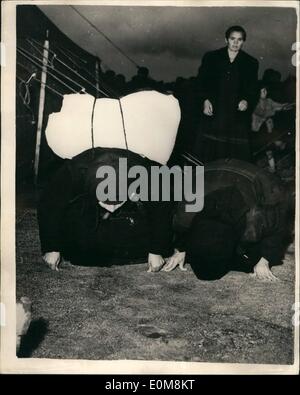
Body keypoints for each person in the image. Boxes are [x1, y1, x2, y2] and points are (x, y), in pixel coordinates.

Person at [38, 147, 173, 272]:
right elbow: (50, 206)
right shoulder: (74, 171)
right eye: (107, 203)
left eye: (117, 203)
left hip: (133, 198)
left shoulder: (146, 173)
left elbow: (162, 208)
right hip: (85, 199)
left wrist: (156, 250)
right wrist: (51, 248)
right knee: (78, 251)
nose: (113, 208)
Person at [163, 159, 290, 282]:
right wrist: (182, 249)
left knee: (254, 253)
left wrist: (265, 260)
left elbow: (279, 230)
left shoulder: (256, 217)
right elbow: (186, 233)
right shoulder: (184, 216)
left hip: (255, 177)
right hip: (209, 173)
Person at [195, 26, 259, 162]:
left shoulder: (251, 62)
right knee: (209, 151)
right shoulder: (211, 57)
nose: (236, 43)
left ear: (243, 42)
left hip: (236, 115)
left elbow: (253, 88)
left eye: (240, 39)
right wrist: (205, 100)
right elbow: (201, 82)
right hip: (214, 112)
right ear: (226, 40)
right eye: (232, 39)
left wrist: (246, 100)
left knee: (235, 154)